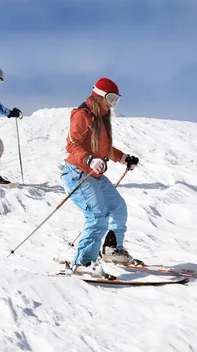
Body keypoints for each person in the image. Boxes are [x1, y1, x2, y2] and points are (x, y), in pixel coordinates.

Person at [61, 78, 141, 278]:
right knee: (98, 216)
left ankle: (112, 250)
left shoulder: (101, 117)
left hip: (95, 175)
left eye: (117, 100)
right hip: (78, 173)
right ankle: (83, 263)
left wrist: (124, 158)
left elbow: (104, 149)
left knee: (118, 207)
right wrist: (89, 160)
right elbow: (71, 145)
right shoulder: (82, 115)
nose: (113, 104)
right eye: (111, 98)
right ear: (99, 95)